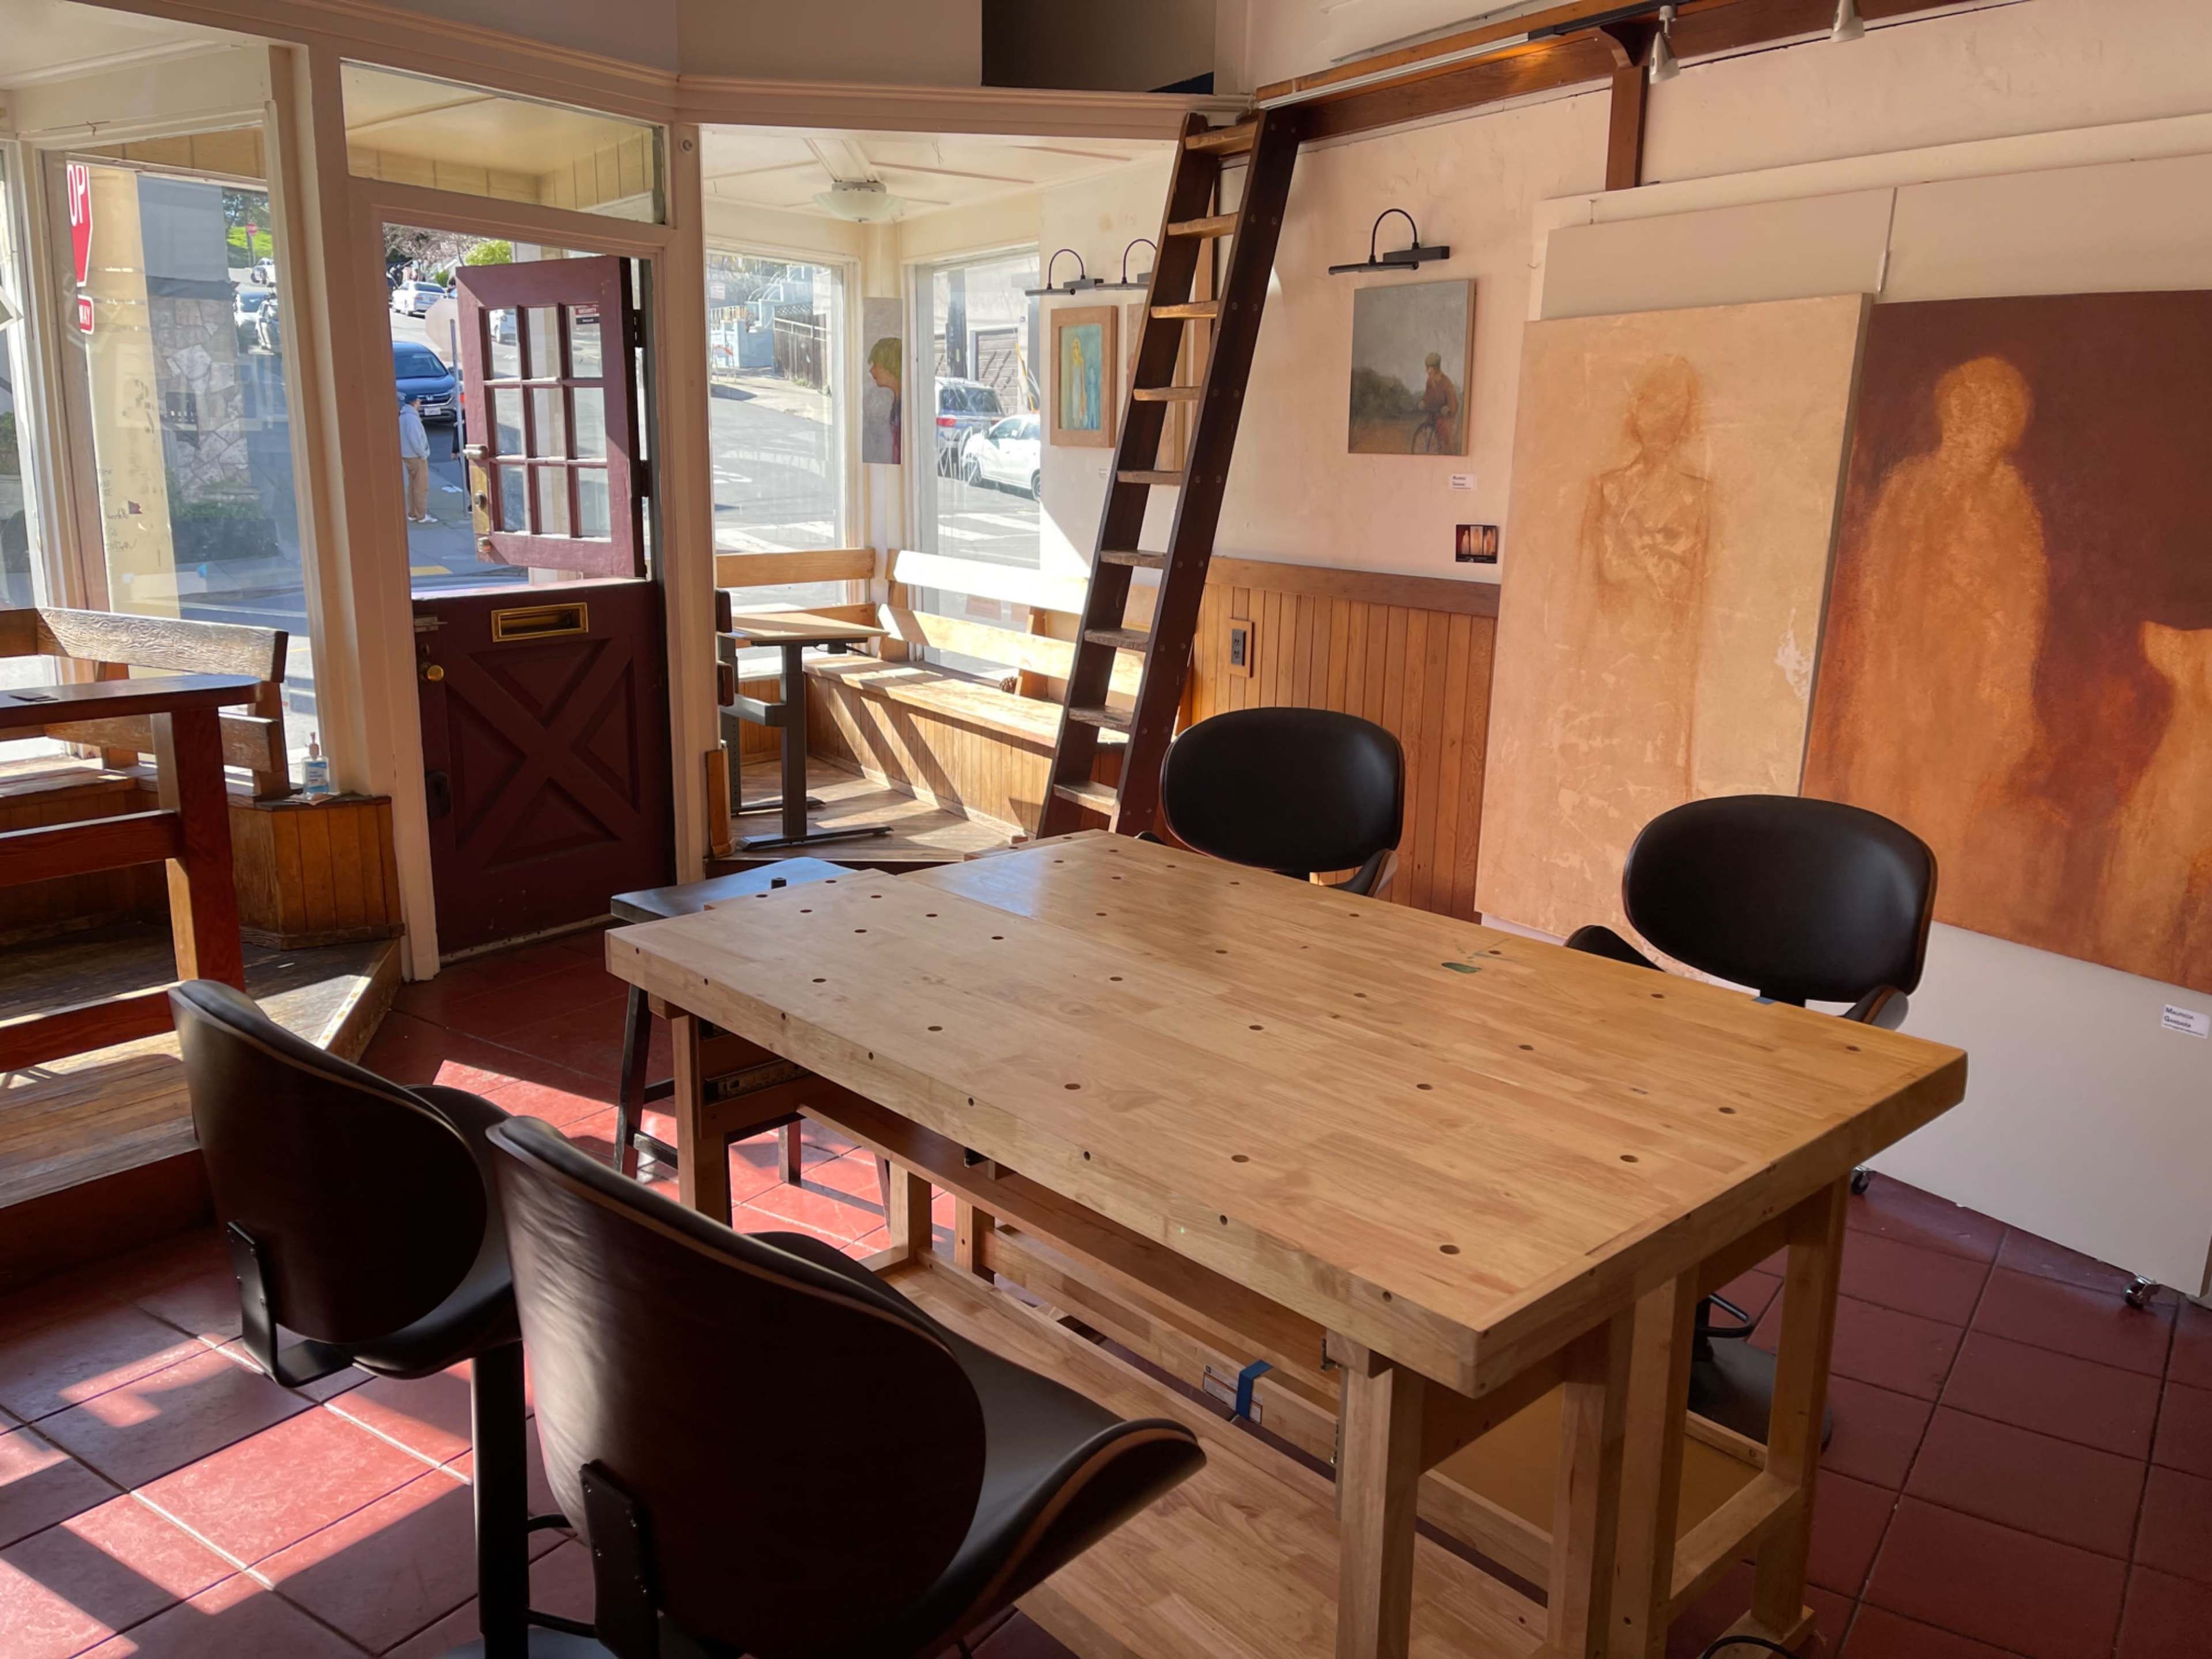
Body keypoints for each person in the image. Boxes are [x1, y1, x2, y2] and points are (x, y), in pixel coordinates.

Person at [397, 393, 433, 524]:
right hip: (416, 456)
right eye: (419, 401)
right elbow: (415, 439)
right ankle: (421, 515)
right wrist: (423, 454)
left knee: (412, 486)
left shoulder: (403, 417)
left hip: (407, 455)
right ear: (414, 403)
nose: (420, 404)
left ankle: (412, 513)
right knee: (421, 487)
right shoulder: (412, 419)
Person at [1420, 351, 1461, 452]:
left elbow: (1453, 402)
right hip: (1434, 413)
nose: (1428, 371)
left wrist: (1448, 408)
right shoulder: (1429, 382)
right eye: (1427, 368)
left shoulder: (1446, 382)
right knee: (1429, 433)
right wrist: (1424, 402)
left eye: (1429, 368)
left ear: (1436, 368)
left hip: (1446, 416)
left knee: (1445, 438)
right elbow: (1427, 396)